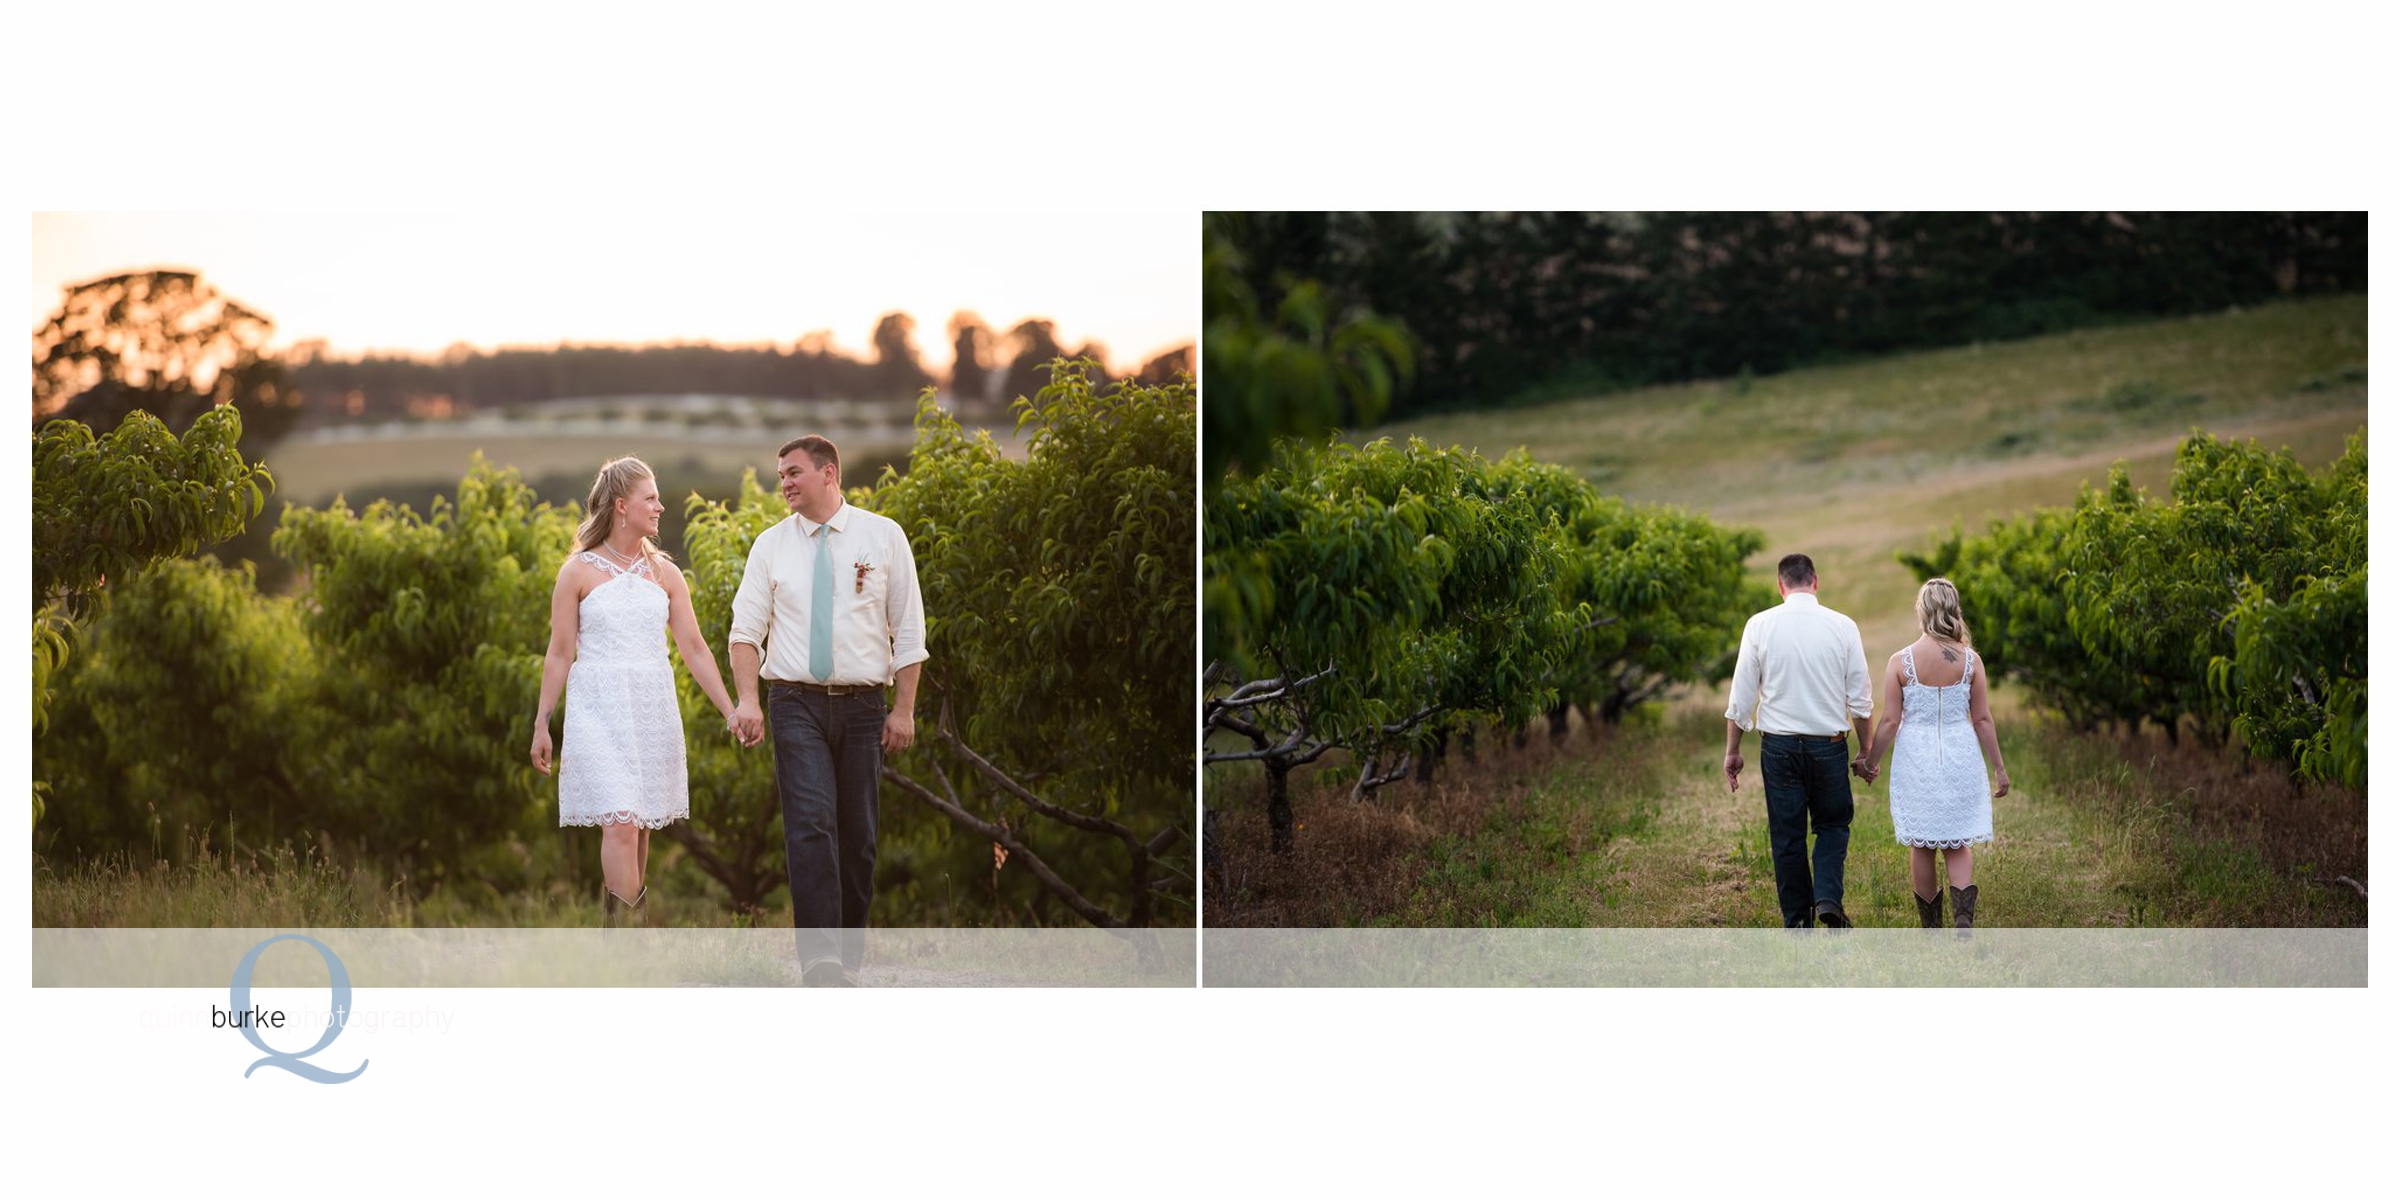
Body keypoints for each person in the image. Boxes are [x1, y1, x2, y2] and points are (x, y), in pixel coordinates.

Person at [727, 434, 926, 987]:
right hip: (794, 703)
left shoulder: (883, 537)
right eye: (781, 474)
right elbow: (745, 632)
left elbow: (909, 632)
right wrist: (748, 700)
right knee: (811, 826)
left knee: (858, 836)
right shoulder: (770, 545)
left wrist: (903, 711)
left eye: (793, 472)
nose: (784, 482)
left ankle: (848, 959)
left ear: (829, 473)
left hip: (866, 706)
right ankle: (821, 963)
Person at [531, 457, 743, 926]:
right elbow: (560, 652)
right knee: (622, 824)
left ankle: (627, 943)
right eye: (651, 498)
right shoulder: (577, 572)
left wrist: (731, 710)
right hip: (597, 709)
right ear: (623, 506)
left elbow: (694, 648)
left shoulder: (667, 575)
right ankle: (628, 945)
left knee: (641, 828)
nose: (661, 506)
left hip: (650, 707)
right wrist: (542, 722)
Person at [1722, 553, 1876, 929]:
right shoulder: (1843, 626)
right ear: (1815, 582)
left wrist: (1733, 751)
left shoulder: (1759, 625)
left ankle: (1797, 924)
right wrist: (1866, 751)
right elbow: (1860, 700)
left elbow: (1741, 698)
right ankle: (1827, 897)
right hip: (1829, 744)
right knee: (1833, 824)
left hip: (1779, 748)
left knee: (1787, 836)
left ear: (1781, 586)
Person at [1856, 578, 2009, 934]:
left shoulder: (1900, 661)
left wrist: (1870, 761)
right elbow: (1982, 719)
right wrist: (1999, 769)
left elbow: (1891, 721)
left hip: (1917, 761)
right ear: (1955, 609)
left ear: (1922, 611)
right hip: (1960, 757)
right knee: (1957, 844)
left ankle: (1931, 929)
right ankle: (1963, 922)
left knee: (1922, 845)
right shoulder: (1972, 662)